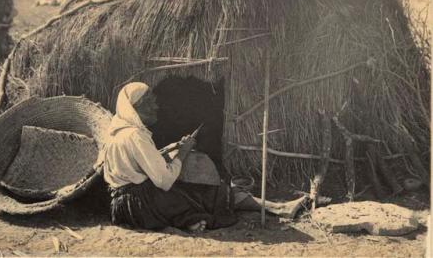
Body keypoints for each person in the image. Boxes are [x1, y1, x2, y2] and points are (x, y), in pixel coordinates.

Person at [103, 82, 308, 232]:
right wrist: (182, 153)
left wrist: (169, 150)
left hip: (122, 208)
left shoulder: (117, 132)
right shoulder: (136, 136)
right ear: (134, 108)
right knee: (210, 194)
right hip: (144, 203)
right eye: (150, 102)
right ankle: (278, 208)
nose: (156, 106)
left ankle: (189, 219)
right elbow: (164, 181)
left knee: (201, 194)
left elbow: (135, 165)